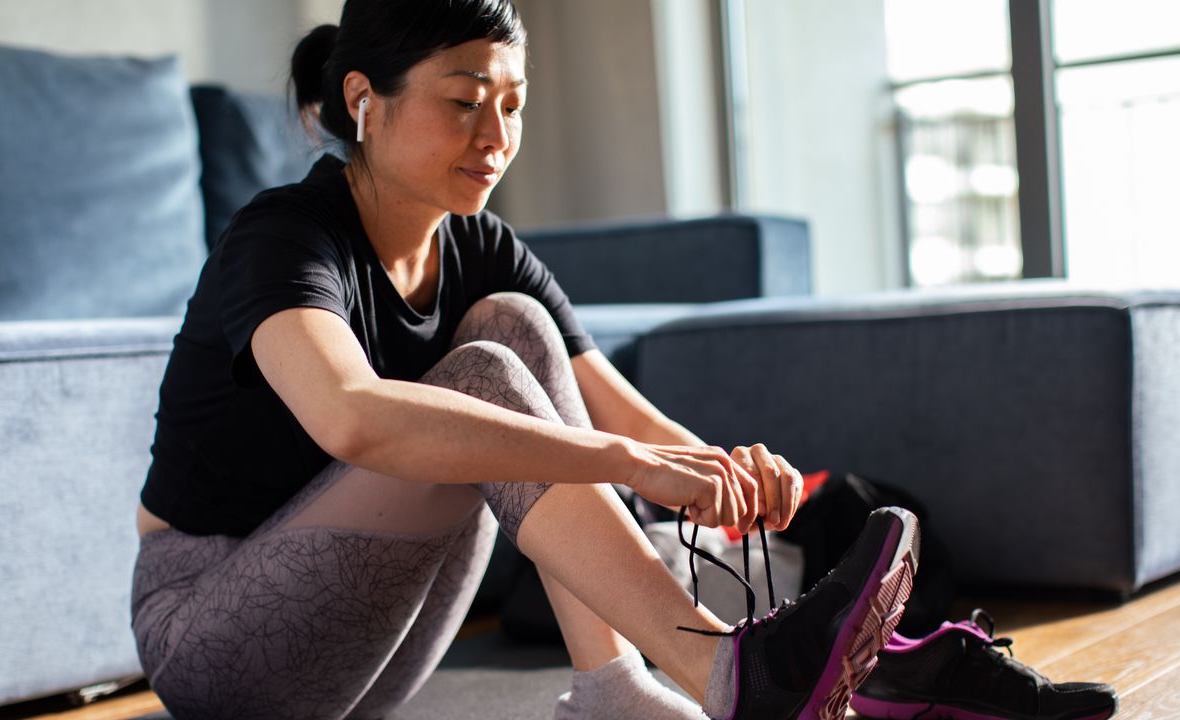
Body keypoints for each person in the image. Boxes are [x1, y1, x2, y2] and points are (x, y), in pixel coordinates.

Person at [128, 2, 920, 718]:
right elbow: (350, 414)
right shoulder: (284, 236)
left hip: (374, 643)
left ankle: (614, 688)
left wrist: (729, 473)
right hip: (213, 635)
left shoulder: (480, 245)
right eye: (465, 102)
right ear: (365, 100)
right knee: (483, 377)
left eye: (513, 106)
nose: (496, 136)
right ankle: (722, 668)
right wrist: (629, 465)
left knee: (515, 325)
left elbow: (619, 411)